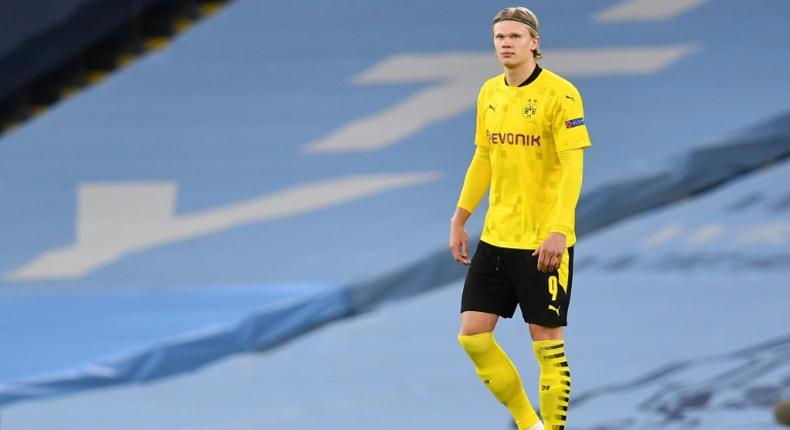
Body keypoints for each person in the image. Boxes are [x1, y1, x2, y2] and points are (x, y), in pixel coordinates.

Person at [449, 6, 591, 430]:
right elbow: (483, 156)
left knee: (546, 345)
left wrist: (559, 231)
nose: (506, 44)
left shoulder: (560, 94)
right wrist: (461, 217)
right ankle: (529, 424)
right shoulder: (489, 92)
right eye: (499, 37)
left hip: (541, 240)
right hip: (496, 237)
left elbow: (572, 167)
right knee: (472, 337)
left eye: (514, 36)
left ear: (534, 43)